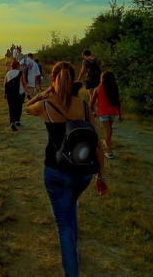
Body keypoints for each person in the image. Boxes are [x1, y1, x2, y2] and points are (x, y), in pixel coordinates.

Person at [26, 61, 107, 277]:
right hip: (83, 172)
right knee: (71, 210)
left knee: (65, 225)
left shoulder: (46, 105)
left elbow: (27, 108)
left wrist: (44, 92)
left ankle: (72, 271)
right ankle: (74, 253)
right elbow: (96, 142)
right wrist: (102, 175)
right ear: (72, 80)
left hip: (56, 171)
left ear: (53, 80)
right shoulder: (82, 105)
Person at [91, 70, 123, 159]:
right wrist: (120, 115)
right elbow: (118, 102)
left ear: (103, 79)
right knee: (109, 129)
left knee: (106, 130)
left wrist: (92, 111)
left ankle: (109, 152)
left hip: (103, 113)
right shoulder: (114, 88)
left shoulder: (97, 89)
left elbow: (92, 102)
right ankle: (107, 143)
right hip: (113, 112)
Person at [4, 60, 28, 131]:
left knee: (11, 108)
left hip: (10, 94)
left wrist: (5, 93)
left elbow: (5, 84)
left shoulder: (8, 73)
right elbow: (24, 83)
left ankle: (12, 122)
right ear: (18, 66)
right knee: (19, 107)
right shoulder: (20, 73)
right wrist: (27, 92)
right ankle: (17, 121)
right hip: (20, 93)